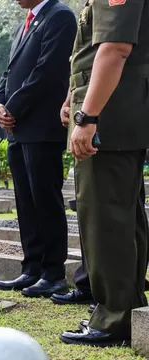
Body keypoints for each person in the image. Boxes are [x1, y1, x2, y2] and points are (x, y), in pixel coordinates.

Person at [60, 0, 149, 347]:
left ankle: (114, 317)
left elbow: (114, 49)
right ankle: (126, 307)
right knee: (122, 216)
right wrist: (74, 99)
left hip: (109, 115)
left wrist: (88, 116)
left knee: (104, 217)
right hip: (111, 110)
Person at [0, 0, 78, 297]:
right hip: (17, 130)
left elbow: (48, 73)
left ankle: (53, 272)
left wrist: (12, 108)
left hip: (41, 128)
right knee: (26, 203)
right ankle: (31, 269)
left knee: (45, 201)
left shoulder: (60, 17)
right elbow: (9, 73)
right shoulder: (24, 24)